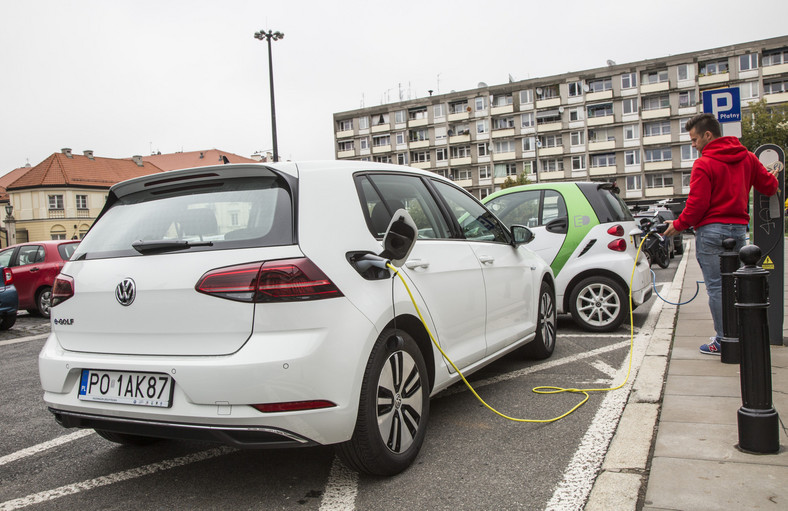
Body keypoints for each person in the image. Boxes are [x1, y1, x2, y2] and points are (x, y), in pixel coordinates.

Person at [664, 113, 779, 355]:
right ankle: (741, 335)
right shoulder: (747, 157)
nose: (693, 145)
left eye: (694, 140)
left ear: (708, 135)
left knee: (717, 287)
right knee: (737, 285)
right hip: (738, 231)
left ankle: (724, 339)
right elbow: (768, 186)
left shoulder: (704, 164)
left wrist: (679, 224)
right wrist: (773, 176)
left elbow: (697, 206)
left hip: (711, 232)